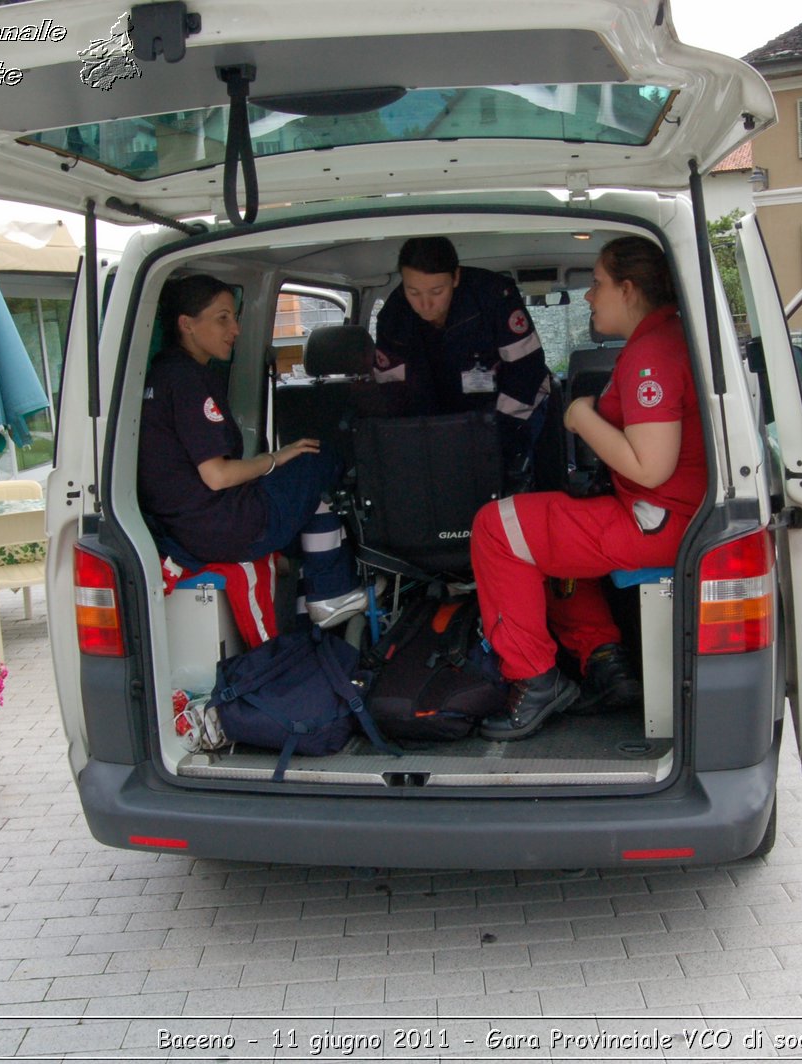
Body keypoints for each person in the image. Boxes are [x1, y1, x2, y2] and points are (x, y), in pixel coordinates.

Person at [469, 236, 705, 740]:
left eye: (597, 284)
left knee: (495, 527)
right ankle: (605, 665)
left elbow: (650, 467)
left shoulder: (651, 357)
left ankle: (534, 680)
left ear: (628, 288)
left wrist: (581, 415)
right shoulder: (665, 340)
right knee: (544, 537)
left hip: (659, 520)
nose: (589, 296)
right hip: (662, 513)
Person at [138, 274, 367, 628]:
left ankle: (306, 593)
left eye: (235, 317)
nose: (236, 329)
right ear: (186, 324)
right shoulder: (189, 382)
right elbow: (217, 476)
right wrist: (276, 458)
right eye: (222, 318)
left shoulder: (158, 375)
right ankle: (329, 592)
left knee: (299, 481)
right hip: (223, 529)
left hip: (182, 529)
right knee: (320, 461)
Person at [373, 236, 552, 480]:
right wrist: (423, 437)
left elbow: (526, 371)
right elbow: (393, 390)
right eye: (413, 292)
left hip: (513, 405)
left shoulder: (494, 298)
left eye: (437, 291)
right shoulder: (394, 316)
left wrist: (493, 431)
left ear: (455, 278)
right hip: (441, 415)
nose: (425, 304)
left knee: (507, 471)